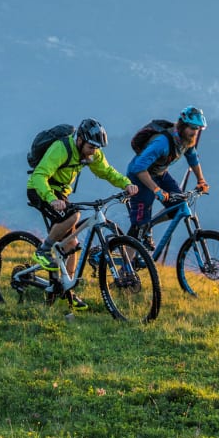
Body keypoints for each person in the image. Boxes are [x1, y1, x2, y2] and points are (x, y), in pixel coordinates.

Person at [28, 118, 137, 312]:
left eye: (97, 147)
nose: (94, 151)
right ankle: (43, 250)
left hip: (61, 193)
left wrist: (125, 184)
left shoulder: (91, 153)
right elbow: (39, 175)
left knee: (72, 245)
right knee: (74, 216)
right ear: (79, 140)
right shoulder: (61, 149)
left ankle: (66, 290)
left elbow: (107, 171)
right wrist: (51, 198)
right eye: (91, 146)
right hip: (41, 189)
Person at [126, 107, 209, 246]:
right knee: (139, 224)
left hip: (159, 173)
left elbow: (193, 159)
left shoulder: (187, 140)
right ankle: (125, 266)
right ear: (183, 125)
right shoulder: (162, 142)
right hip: (139, 176)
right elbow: (138, 168)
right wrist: (156, 189)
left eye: (198, 128)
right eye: (192, 127)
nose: (195, 132)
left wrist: (201, 180)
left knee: (179, 206)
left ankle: (148, 225)